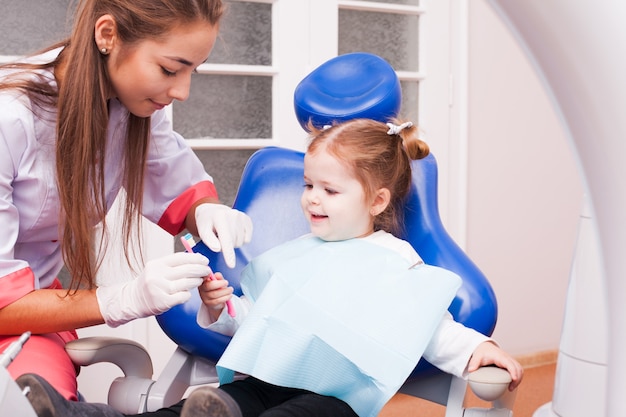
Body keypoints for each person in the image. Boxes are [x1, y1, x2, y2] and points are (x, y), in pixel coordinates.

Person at [16, 118, 523, 417]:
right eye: (308, 185)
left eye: (330, 190)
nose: (312, 199)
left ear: (376, 200)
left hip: (334, 397)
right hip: (268, 378)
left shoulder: (393, 260)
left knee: (306, 414)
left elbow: (427, 325)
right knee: (207, 405)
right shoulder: (300, 253)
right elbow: (263, 320)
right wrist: (225, 308)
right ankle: (73, 413)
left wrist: (482, 350)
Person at [1, 0, 252, 406]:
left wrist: (205, 210)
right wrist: (123, 299)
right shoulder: (10, 120)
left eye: (193, 70)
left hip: (29, 320)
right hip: (12, 312)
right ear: (107, 35)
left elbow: (176, 182)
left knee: (32, 397)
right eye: (170, 69)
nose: (182, 91)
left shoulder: (138, 107)